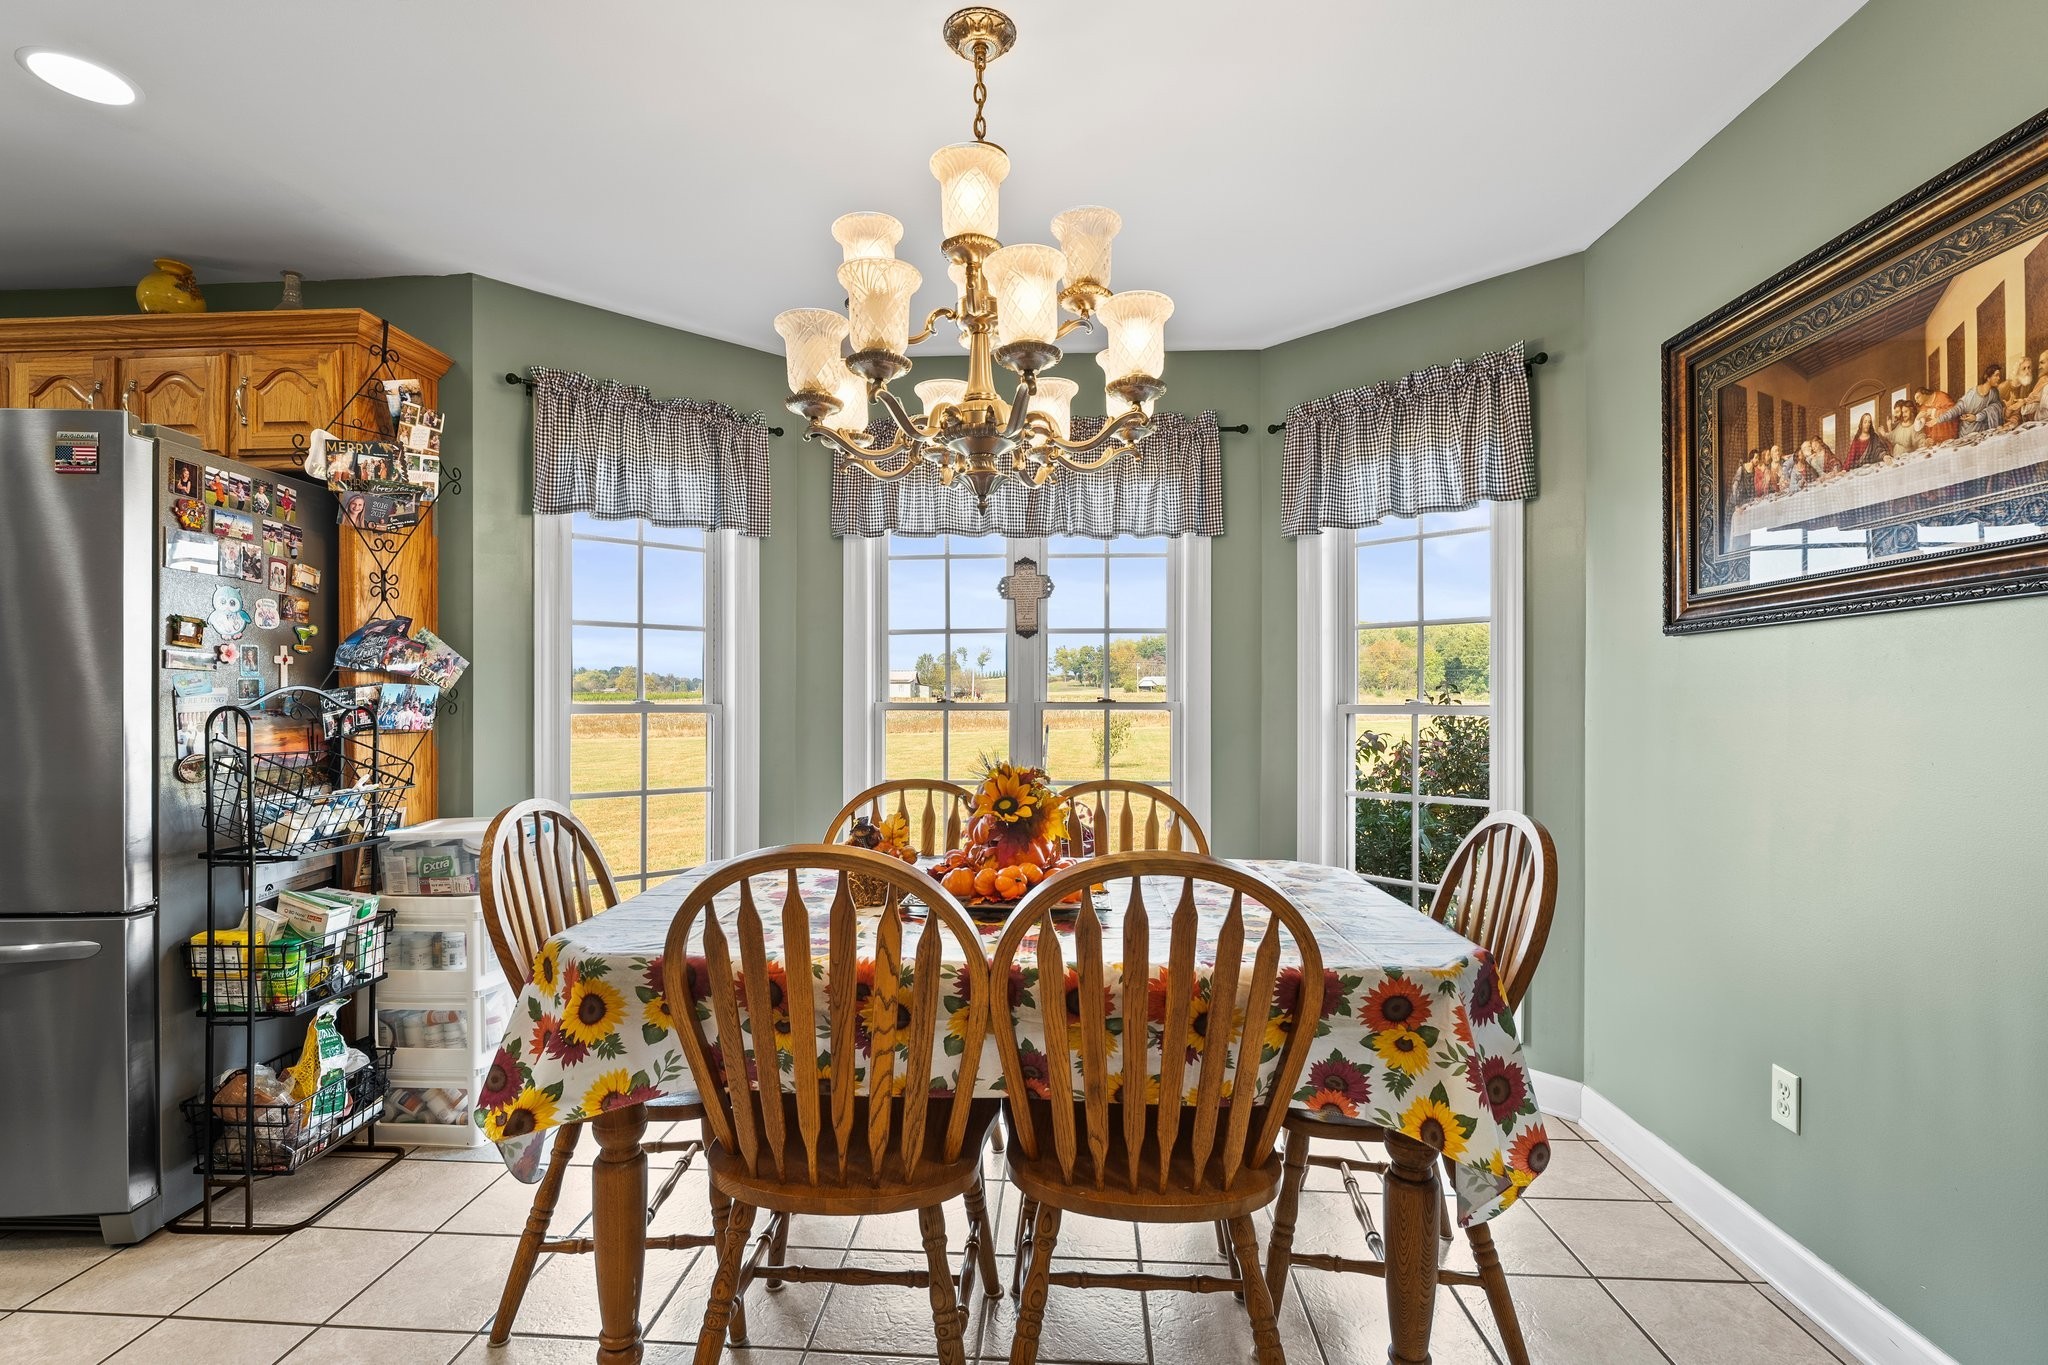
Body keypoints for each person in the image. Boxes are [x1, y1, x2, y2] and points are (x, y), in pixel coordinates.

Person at [1931, 364, 2005, 436]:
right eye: (1996, 375)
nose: (1999, 378)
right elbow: (1957, 409)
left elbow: (1995, 408)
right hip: (1968, 433)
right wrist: (1939, 419)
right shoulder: (1972, 394)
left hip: (1983, 432)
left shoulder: (1994, 393)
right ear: (1988, 378)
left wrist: (1976, 417)